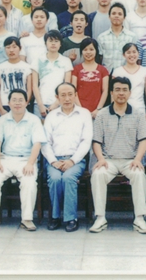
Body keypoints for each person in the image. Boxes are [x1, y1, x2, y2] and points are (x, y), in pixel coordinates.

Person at [89, 77, 146, 234]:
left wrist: (138, 159)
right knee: (98, 174)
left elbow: (143, 141)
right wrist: (100, 159)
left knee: (139, 175)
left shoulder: (138, 114)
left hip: (130, 160)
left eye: (124, 90)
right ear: (111, 92)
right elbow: (96, 141)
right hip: (108, 160)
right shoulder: (102, 114)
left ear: (130, 93)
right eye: (117, 90)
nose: (121, 93)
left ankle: (139, 218)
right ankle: (100, 218)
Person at [0, 89, 46, 231]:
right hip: (5, 158)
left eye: (20, 100)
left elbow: (37, 144)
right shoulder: (2, 120)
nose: (17, 103)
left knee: (29, 182)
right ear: (9, 103)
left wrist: (30, 163)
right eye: (14, 100)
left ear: (26, 102)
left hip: (26, 160)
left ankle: (27, 219)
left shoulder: (34, 120)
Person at [42, 83, 93, 232]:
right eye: (63, 95)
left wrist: (72, 161)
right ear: (57, 97)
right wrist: (53, 161)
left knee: (68, 178)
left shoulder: (84, 114)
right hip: (54, 159)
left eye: (70, 94)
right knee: (55, 179)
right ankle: (55, 217)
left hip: (76, 160)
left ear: (75, 95)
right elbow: (45, 142)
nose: (67, 98)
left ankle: (71, 218)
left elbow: (86, 141)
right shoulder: (51, 116)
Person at [31, 30, 73, 118]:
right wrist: (40, 105)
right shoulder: (37, 60)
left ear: (60, 44)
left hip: (60, 103)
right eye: (50, 41)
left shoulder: (66, 61)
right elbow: (34, 85)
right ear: (45, 43)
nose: (53, 44)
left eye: (56, 41)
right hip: (40, 103)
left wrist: (56, 103)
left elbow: (67, 85)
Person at [0, 37, 33, 116]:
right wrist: (0, 108)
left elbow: (29, 89)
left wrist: (25, 104)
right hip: (5, 104)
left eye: (14, 47)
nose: (11, 50)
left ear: (20, 48)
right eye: (8, 47)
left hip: (22, 105)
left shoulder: (27, 68)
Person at [112, 43, 146, 118]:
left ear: (138, 53)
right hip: (121, 110)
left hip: (139, 109)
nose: (132, 55)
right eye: (128, 52)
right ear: (124, 55)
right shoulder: (117, 71)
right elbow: (113, 93)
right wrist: (113, 110)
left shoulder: (145, 71)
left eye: (134, 52)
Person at [72, 39, 110, 117]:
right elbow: (73, 91)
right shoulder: (76, 69)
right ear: (81, 51)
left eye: (91, 49)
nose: (88, 52)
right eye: (85, 50)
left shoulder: (103, 70)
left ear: (96, 51)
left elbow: (105, 91)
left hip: (97, 112)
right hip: (79, 111)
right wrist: (81, 109)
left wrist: (98, 109)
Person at [97, 3, 139, 73]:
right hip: (107, 74)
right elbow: (100, 59)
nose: (116, 16)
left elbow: (135, 58)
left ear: (124, 17)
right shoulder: (101, 37)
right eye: (113, 13)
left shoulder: (132, 37)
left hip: (126, 74)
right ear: (109, 16)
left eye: (120, 14)